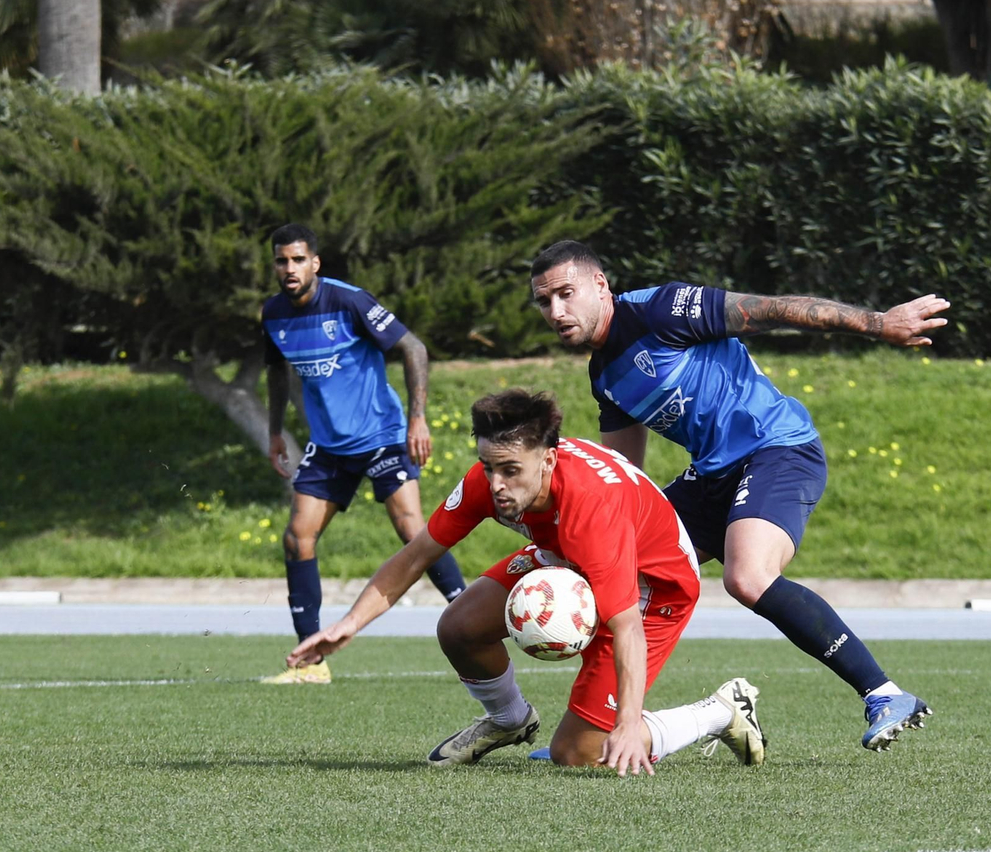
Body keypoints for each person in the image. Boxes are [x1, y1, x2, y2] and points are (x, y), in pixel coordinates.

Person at [527, 239, 949, 751]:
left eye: (566, 294)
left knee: (747, 577)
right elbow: (622, 475)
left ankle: (885, 693)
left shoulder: (662, 310)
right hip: (710, 476)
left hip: (777, 448)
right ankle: (596, 732)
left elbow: (773, 309)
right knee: (614, 567)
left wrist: (877, 324)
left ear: (600, 285)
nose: (556, 311)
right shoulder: (605, 376)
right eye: (545, 302)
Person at [289, 389, 765, 772]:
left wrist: (627, 722)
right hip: (568, 556)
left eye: (511, 471)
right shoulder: (491, 479)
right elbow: (416, 556)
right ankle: (508, 720)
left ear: (549, 461)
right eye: (489, 467)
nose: (496, 484)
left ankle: (721, 710)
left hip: (653, 585)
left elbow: (626, 627)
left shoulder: (591, 509)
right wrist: (348, 624)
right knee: (458, 627)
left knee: (580, 754)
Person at [259, 223, 468, 684]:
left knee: (412, 529)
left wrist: (417, 418)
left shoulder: (349, 301)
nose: (289, 268)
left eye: (298, 259)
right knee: (298, 536)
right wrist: (276, 432)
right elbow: (276, 373)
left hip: (382, 435)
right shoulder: (273, 314)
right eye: (281, 260)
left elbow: (413, 347)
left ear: (315, 262)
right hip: (330, 446)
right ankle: (311, 664)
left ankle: (471, 612)